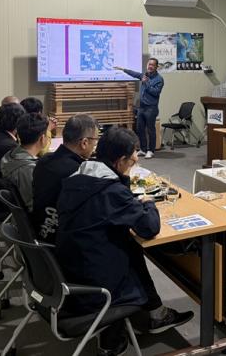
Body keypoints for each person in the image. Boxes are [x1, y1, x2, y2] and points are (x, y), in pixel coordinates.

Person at [56, 127, 193, 356]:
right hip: (96, 284)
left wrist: (124, 184)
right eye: (133, 158)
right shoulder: (110, 191)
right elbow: (149, 228)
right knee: (132, 249)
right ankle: (125, 330)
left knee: (129, 245)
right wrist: (149, 203)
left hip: (71, 266)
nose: (136, 160)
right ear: (120, 161)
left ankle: (155, 313)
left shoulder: (79, 176)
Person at [31, 114, 99, 241]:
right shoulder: (78, 172)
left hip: (36, 230)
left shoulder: (44, 160)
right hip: (59, 240)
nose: (95, 145)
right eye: (95, 140)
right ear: (84, 142)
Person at [114, 59, 164, 159]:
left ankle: (151, 150)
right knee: (139, 129)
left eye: (152, 65)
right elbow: (135, 74)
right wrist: (123, 69)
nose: (150, 66)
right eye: (149, 64)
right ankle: (143, 149)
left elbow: (155, 93)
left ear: (156, 67)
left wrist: (146, 83)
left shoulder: (159, 79)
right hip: (141, 107)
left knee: (150, 130)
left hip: (151, 108)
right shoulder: (145, 75)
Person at [0, 112, 49, 211]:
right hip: (36, 216)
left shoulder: (9, 155)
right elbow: (33, 205)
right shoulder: (29, 169)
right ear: (42, 138)